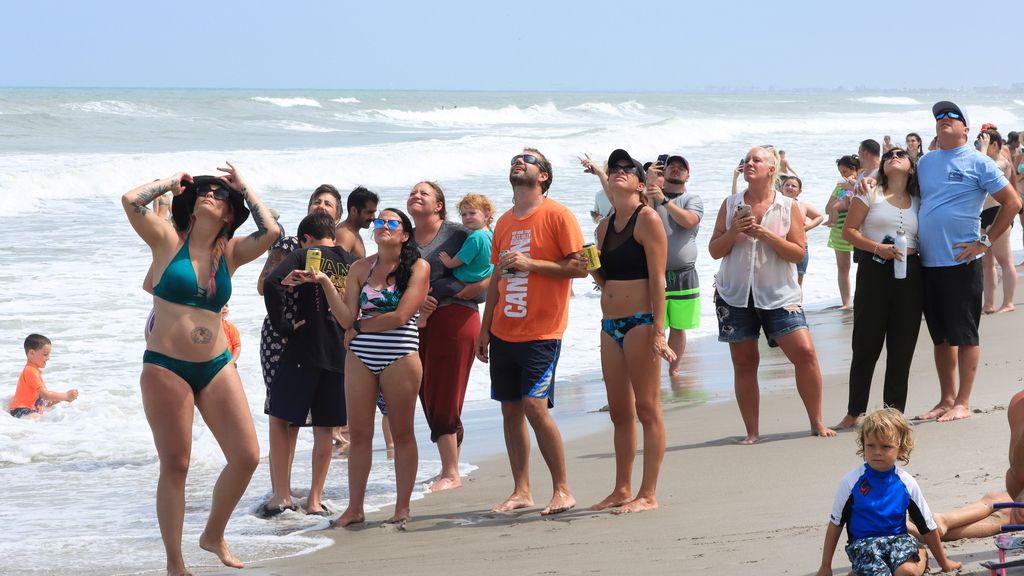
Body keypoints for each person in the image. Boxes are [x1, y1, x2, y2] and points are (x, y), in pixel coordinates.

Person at [121, 163, 278, 575]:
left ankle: (213, 535)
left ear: (229, 214)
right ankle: (175, 563)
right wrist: (172, 183)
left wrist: (244, 188)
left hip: (216, 364)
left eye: (221, 195)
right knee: (177, 464)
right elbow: (130, 201)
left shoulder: (229, 253)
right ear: (191, 206)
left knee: (246, 456)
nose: (212, 195)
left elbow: (271, 233)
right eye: (205, 192)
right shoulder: (166, 239)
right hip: (166, 368)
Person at [299, 208, 429, 527]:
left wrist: (358, 328)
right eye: (379, 222)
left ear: (405, 234)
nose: (383, 226)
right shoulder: (360, 267)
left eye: (391, 223)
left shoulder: (418, 267)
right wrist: (326, 282)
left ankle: (402, 507)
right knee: (359, 434)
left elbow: (400, 317)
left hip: (400, 354)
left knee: (402, 432)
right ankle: (355, 507)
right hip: (360, 356)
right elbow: (346, 318)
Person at [476, 148, 587, 515]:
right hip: (504, 330)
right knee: (510, 411)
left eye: (527, 160)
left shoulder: (557, 214)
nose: (517, 162)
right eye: (513, 160)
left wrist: (531, 264)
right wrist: (484, 328)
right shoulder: (505, 221)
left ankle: (563, 489)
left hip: (542, 331)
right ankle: (521, 491)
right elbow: (496, 278)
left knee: (534, 407)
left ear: (543, 176)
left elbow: (578, 267)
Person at [709, 147, 835, 444]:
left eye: (757, 160)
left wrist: (765, 234)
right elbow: (715, 251)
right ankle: (752, 432)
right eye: (747, 160)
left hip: (779, 294)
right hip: (735, 294)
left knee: (805, 354)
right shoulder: (730, 204)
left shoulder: (787, 205)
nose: (750, 163)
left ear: (771, 169)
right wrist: (733, 233)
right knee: (744, 362)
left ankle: (817, 421)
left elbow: (797, 253)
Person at [914, 101, 1020, 423]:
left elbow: (1013, 202)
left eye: (951, 117)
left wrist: (985, 242)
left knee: (965, 334)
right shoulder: (924, 163)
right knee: (941, 337)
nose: (943, 120)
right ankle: (946, 399)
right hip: (928, 262)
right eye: (939, 118)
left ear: (965, 129)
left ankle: (963, 400)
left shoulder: (979, 162)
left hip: (961, 262)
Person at [587, 149, 674, 514]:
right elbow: (606, 280)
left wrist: (658, 331)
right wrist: (589, 266)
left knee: (647, 408)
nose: (619, 171)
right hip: (610, 325)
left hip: (640, 322)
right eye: (614, 168)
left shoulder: (648, 218)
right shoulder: (603, 227)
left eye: (628, 169)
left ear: (641, 184)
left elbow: (658, 279)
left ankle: (648, 493)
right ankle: (622, 488)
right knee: (620, 413)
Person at [262, 212, 358, 517]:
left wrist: (285, 326)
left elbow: (272, 283)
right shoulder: (353, 261)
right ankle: (315, 500)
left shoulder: (306, 254)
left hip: (305, 349)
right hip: (340, 354)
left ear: (306, 238)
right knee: (325, 428)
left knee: (279, 418)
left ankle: (282, 495)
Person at [255, 184, 343, 496]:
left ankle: (291, 494)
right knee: (294, 418)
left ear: (338, 215)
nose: (321, 206)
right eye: (317, 201)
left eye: (328, 203)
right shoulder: (291, 245)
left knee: (301, 418)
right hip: (293, 341)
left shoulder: (326, 252)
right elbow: (265, 284)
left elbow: (274, 283)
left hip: (314, 342)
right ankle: (287, 491)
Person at [408, 181, 488, 492]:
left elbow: (493, 267)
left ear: (439, 205)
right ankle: (450, 464)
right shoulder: (404, 239)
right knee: (426, 393)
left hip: (456, 316)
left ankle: (451, 473)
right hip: (418, 322)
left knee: (443, 394)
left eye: (424, 192)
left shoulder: (460, 233)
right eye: (413, 192)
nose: (417, 195)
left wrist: (470, 290)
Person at [814, 407, 960, 576]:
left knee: (906, 573)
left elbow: (926, 526)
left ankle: (921, 554)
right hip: (864, 545)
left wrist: (944, 562)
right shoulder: (850, 482)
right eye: (871, 445)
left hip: (899, 541)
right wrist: (826, 566)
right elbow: (836, 524)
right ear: (863, 444)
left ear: (901, 449)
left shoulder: (907, 483)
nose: (877, 452)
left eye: (885, 446)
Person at [836, 147, 922, 430]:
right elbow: (849, 231)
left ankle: (893, 414)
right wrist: (878, 248)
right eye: (888, 155)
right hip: (875, 269)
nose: (893, 156)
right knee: (866, 343)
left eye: (900, 154)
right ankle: (854, 410)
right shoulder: (869, 191)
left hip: (911, 272)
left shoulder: (920, 199)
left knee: (902, 346)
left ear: (911, 167)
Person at [641, 153, 702, 377]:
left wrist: (665, 201)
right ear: (663, 173)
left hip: (684, 273)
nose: (675, 170)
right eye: (671, 167)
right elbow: (642, 217)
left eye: (680, 167)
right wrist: (649, 185)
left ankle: (674, 368)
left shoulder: (692, 199)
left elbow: (688, 220)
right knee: (652, 325)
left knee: (678, 325)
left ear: (688, 174)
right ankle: (652, 370)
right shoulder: (653, 196)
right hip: (653, 271)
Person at [424, 193, 495, 326]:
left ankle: (424, 316)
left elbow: (462, 257)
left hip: (464, 280)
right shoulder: (491, 234)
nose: (467, 217)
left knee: (437, 287)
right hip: (480, 278)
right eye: (463, 214)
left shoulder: (476, 237)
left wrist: (449, 262)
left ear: (486, 215)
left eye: (472, 213)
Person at [977, 129, 1017, 314]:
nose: (979, 147)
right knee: (987, 263)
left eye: (983, 143)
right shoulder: (986, 160)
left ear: (993, 145)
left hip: (998, 213)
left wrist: (982, 151)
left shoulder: (1001, 162)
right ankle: (989, 303)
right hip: (984, 214)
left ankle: (1008, 302)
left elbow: (983, 168)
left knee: (1005, 261)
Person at [9, 334, 78, 418]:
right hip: (21, 410)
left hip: (28, 410)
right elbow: (46, 395)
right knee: (46, 420)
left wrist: (60, 399)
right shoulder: (30, 371)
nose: (48, 358)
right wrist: (66, 395)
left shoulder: (33, 371)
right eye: (45, 354)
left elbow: (42, 398)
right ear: (32, 353)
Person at [824, 155, 860, 309]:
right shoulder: (840, 186)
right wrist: (841, 200)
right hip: (839, 230)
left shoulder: (863, 182)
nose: (842, 175)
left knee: (865, 267)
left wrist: (848, 198)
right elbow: (827, 208)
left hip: (859, 230)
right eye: (840, 172)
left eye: (844, 171)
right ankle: (846, 303)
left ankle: (864, 299)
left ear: (854, 169)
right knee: (843, 268)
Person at [780, 176, 823, 288]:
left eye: (793, 186)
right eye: (787, 185)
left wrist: (807, 227)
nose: (790, 187)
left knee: (798, 280)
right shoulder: (776, 204)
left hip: (801, 245)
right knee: (780, 279)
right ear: (781, 188)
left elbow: (819, 217)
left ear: (799, 191)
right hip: (780, 245)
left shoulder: (803, 206)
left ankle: (797, 304)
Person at [335, 186, 379, 258]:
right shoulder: (345, 235)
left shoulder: (352, 232)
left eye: (374, 212)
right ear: (354, 211)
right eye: (369, 212)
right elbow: (337, 265)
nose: (373, 217)